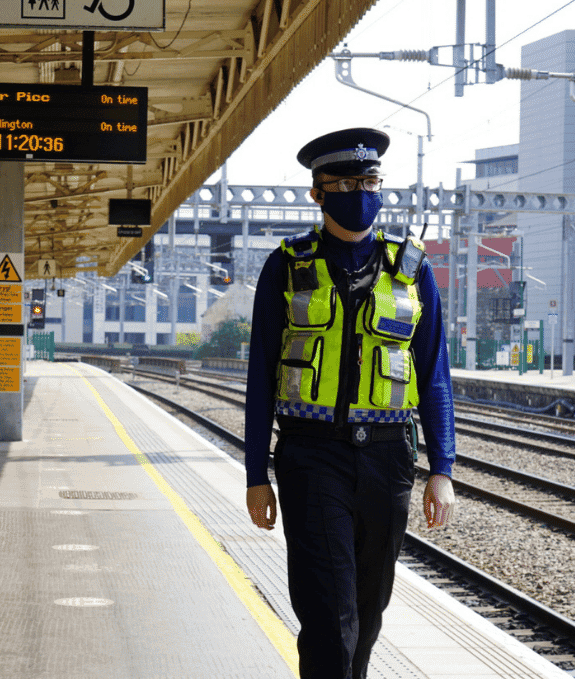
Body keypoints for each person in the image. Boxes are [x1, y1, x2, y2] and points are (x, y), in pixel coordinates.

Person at [244, 128, 457, 679]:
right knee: (327, 613)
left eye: (369, 181)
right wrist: (254, 474)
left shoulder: (413, 271)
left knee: (367, 612)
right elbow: (261, 376)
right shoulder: (286, 267)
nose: (360, 192)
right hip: (312, 457)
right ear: (318, 193)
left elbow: (433, 374)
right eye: (345, 182)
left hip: (388, 459)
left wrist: (443, 469)